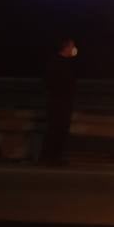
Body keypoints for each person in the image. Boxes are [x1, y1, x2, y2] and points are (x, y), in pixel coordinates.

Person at [38, 37, 78, 166]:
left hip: (62, 100)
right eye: (72, 46)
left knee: (61, 129)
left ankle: (55, 156)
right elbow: (52, 82)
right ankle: (48, 156)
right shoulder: (57, 62)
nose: (74, 49)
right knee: (55, 129)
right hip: (58, 101)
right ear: (66, 47)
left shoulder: (65, 62)